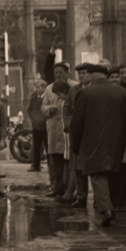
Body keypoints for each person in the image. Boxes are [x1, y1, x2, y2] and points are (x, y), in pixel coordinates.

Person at [70, 62, 126, 227]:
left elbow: (76, 122)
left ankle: (106, 209)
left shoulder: (84, 93)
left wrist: (75, 144)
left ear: (92, 76)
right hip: (117, 142)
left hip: (92, 142)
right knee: (113, 173)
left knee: (98, 175)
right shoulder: (121, 92)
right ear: (106, 75)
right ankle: (112, 205)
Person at [62, 62, 93, 205]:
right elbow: (67, 108)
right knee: (78, 167)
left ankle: (98, 200)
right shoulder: (73, 90)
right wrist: (69, 125)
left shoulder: (95, 88)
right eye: (79, 73)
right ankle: (81, 197)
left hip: (93, 133)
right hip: (77, 134)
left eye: (84, 73)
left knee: (93, 166)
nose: (81, 76)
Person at [42, 63, 72, 196]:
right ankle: (57, 186)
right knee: (56, 160)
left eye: (61, 72)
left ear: (67, 73)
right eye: (56, 73)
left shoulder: (74, 86)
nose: (58, 75)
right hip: (54, 129)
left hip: (67, 130)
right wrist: (49, 109)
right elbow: (43, 107)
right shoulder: (49, 89)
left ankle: (69, 188)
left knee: (69, 160)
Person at [27, 78, 48, 172]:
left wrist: (44, 119)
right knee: (36, 146)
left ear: (44, 88)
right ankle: (36, 166)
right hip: (36, 126)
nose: (36, 89)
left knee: (48, 147)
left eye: (38, 87)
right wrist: (33, 118)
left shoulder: (48, 96)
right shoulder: (34, 96)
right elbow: (30, 109)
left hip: (45, 126)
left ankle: (51, 167)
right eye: (36, 87)